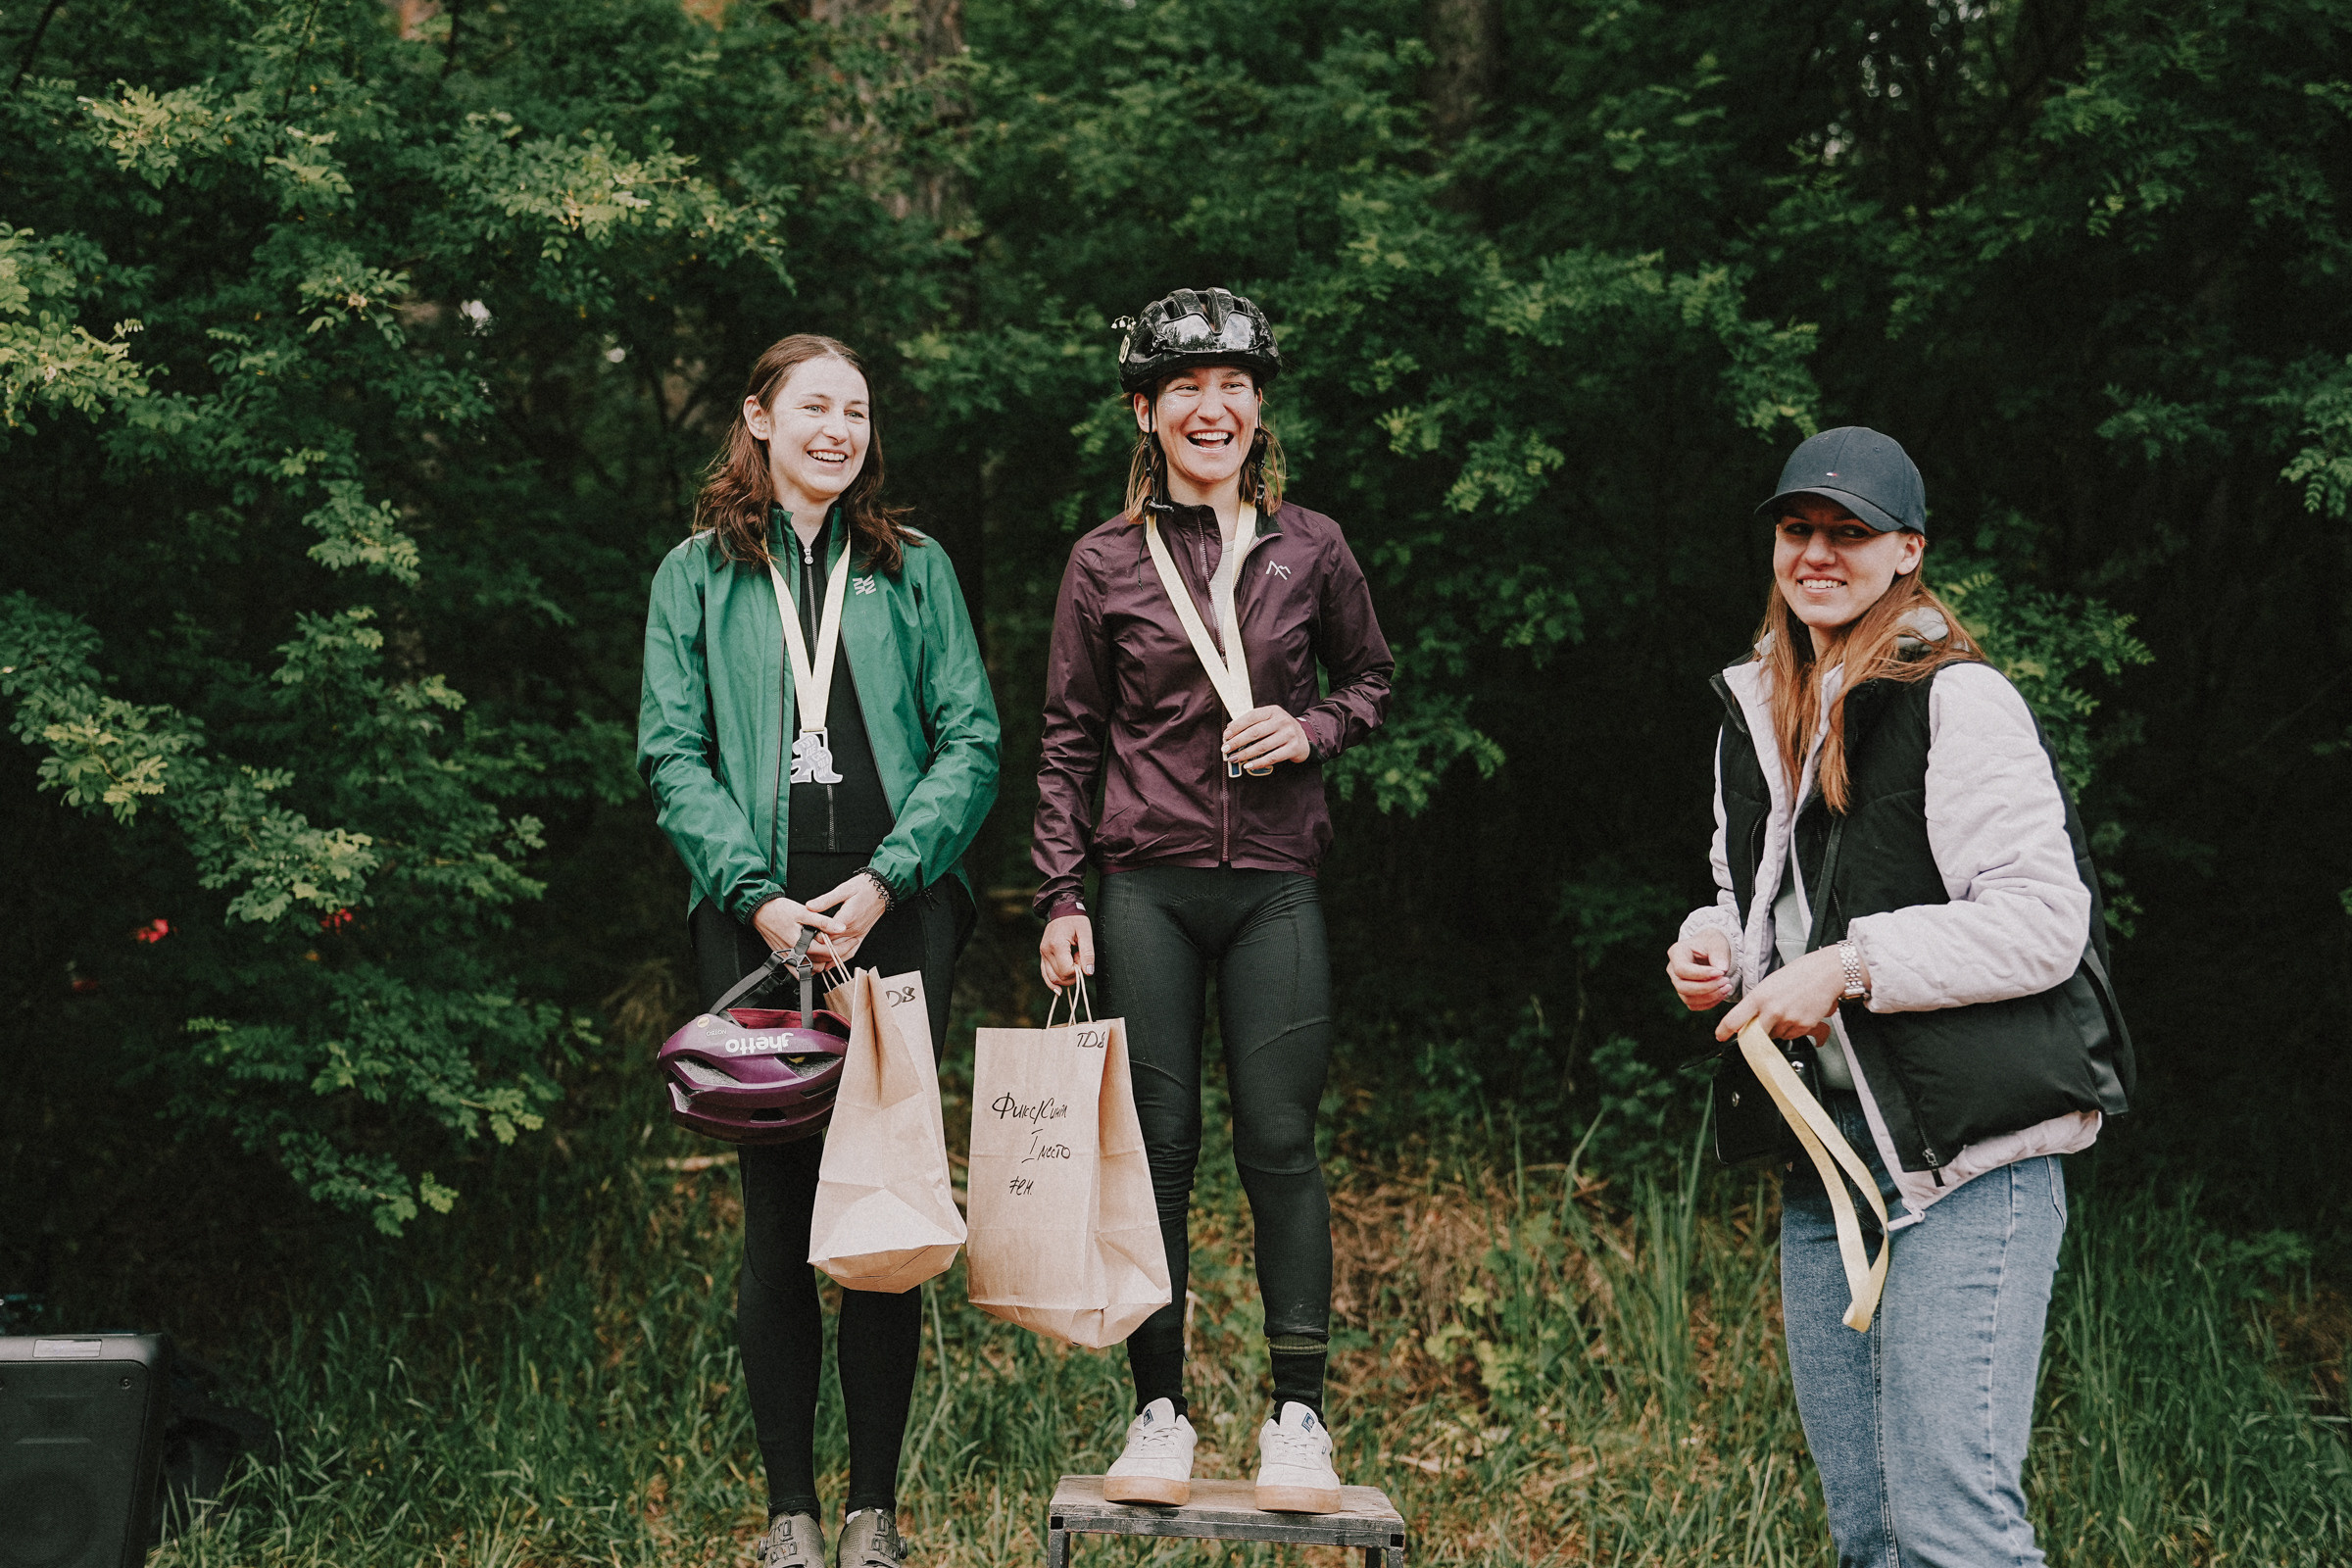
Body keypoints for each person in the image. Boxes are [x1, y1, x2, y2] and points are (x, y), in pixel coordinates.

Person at [1664, 427, 2132, 1568]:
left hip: (1968, 1168)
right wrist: (1711, 945)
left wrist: (1851, 965)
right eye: (1798, 529)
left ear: (1907, 551)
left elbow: (2042, 922)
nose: (1818, 553)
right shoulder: (1761, 705)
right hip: (1830, 1169)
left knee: (1952, 1531)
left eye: (1850, 533)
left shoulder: (1959, 701)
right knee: (1869, 1534)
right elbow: (1750, 895)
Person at [638, 334, 999, 1568]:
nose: (838, 429)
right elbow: (671, 754)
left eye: (855, 410)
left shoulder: (915, 568)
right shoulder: (693, 575)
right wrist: (758, 899)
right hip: (756, 920)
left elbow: (973, 740)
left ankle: (872, 1517)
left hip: (893, 913)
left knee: (882, 1203)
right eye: (814, 407)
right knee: (779, 1210)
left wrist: (886, 879)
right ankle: (790, 1510)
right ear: (759, 417)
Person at [1032, 287, 1394, 1512]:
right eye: (1185, 387)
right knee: (1162, 1161)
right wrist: (1058, 894)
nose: (1213, 405)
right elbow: (1069, 739)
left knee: (1281, 1147)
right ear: (1146, 412)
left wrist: (1314, 724)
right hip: (1145, 891)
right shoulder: (1103, 561)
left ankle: (1300, 1417)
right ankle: (1160, 1413)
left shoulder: (1313, 546)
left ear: (1257, 408)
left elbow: (1376, 681)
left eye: (1234, 384)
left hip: (1276, 889)